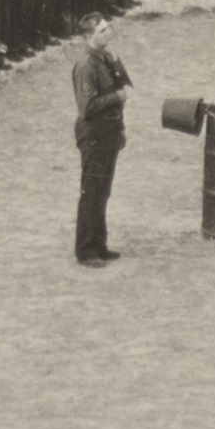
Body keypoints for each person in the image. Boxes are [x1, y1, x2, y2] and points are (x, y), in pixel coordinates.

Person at [66, 30, 131, 263]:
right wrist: (117, 98)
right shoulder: (86, 66)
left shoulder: (105, 58)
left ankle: (99, 244)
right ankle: (85, 250)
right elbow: (87, 107)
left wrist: (120, 128)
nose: (109, 33)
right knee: (92, 191)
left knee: (103, 190)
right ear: (89, 35)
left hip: (108, 131)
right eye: (102, 30)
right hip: (94, 133)